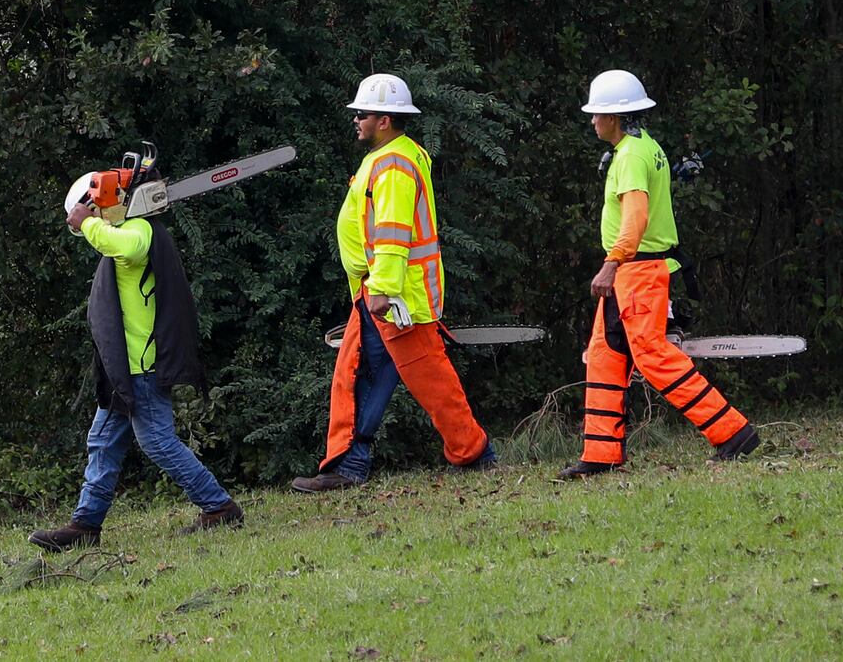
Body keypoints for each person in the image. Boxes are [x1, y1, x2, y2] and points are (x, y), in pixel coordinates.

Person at [292, 73, 495, 492]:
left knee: (372, 374)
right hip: (393, 291)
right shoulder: (395, 156)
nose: (356, 119)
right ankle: (469, 453)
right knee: (387, 375)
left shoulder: (393, 165)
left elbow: (392, 231)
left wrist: (382, 288)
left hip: (392, 294)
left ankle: (354, 465)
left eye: (362, 113)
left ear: (384, 120)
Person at [28, 161, 241, 550]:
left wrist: (88, 223)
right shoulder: (123, 229)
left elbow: (121, 244)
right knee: (103, 440)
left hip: (142, 365)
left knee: (158, 441)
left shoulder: (139, 230)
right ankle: (85, 526)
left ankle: (219, 506)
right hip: (122, 367)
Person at [560, 71, 760, 479]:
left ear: (615, 117)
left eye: (597, 114)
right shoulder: (644, 147)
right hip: (633, 271)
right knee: (604, 357)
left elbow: (635, 218)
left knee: (653, 357)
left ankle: (732, 433)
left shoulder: (631, 157)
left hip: (634, 271)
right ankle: (601, 454)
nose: (593, 121)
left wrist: (611, 262)